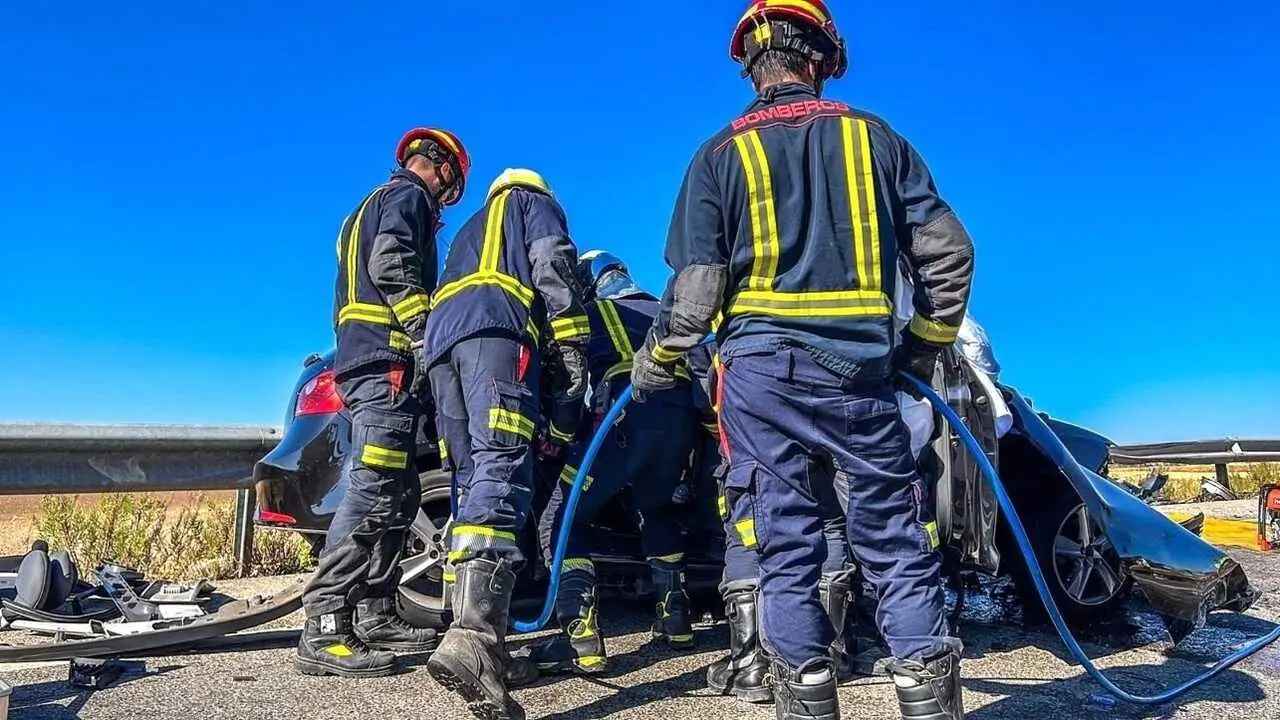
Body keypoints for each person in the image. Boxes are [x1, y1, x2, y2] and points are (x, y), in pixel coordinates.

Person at [631, 2, 975, 718]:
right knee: (891, 538)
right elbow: (947, 254)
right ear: (820, 58)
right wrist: (923, 346)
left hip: (758, 378)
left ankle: (805, 701)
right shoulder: (878, 139)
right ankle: (929, 701)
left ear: (752, 65)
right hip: (862, 377)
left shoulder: (717, 155)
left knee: (785, 546)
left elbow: (696, 293)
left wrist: (658, 358)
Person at [298, 127, 469, 679]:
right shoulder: (407, 196)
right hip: (386, 363)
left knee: (401, 490)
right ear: (439, 167)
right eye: (451, 184)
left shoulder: (362, 208)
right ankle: (325, 622)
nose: (446, 197)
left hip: (363, 361)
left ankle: (374, 611)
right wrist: (424, 331)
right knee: (375, 489)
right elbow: (391, 262)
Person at [423, 168, 590, 720]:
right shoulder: (530, 201)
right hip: (498, 332)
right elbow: (553, 264)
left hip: (441, 348)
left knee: (469, 479)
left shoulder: (469, 228)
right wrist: (570, 349)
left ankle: (473, 642)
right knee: (501, 464)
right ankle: (474, 640)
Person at [524, 251, 700, 676]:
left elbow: (571, 381)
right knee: (655, 509)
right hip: (677, 430)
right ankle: (675, 621)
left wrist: (561, 435)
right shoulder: (661, 308)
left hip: (619, 423)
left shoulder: (590, 312)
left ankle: (580, 638)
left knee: (563, 516)